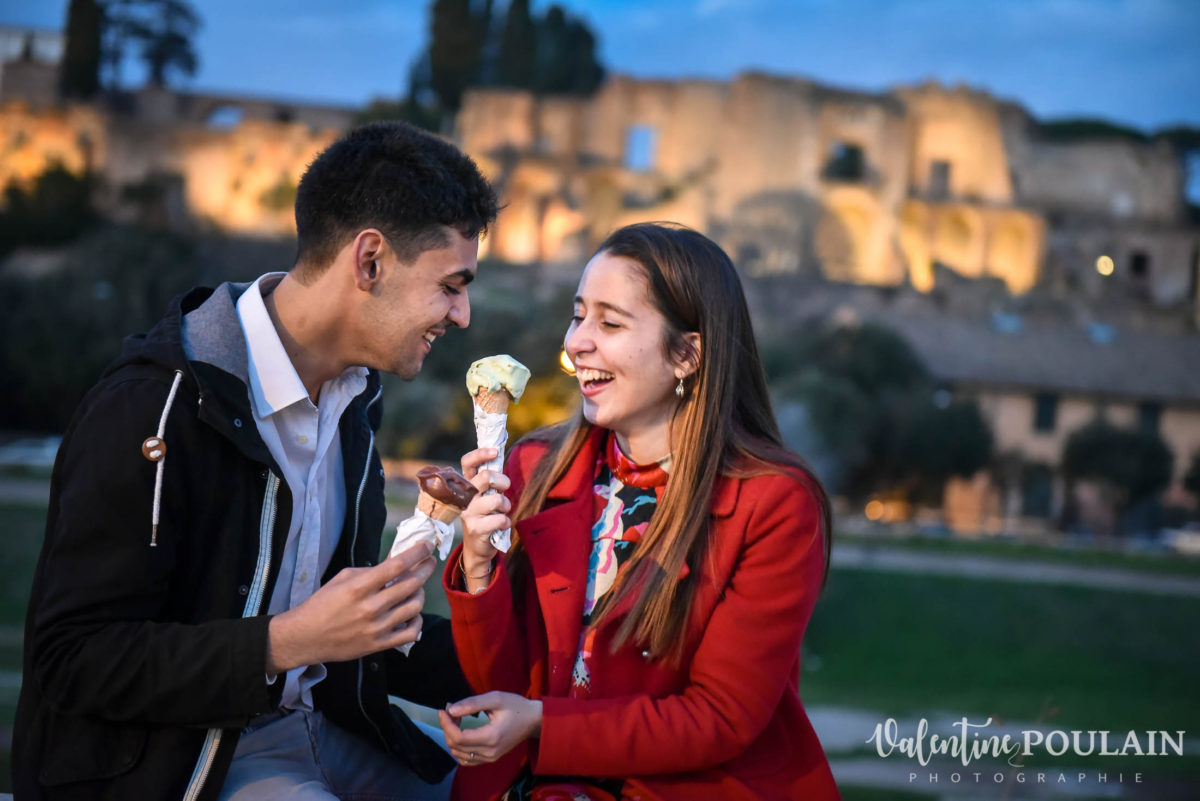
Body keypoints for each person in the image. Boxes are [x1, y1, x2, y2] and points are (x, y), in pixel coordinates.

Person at [13, 121, 499, 801]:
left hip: (324, 728)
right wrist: (287, 640)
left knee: (519, 784)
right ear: (369, 261)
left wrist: (549, 666)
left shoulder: (355, 402)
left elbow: (352, 638)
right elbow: (71, 659)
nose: (464, 314)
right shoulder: (153, 405)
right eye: (451, 285)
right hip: (181, 764)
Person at [438, 223, 840, 800]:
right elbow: (499, 687)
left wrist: (545, 725)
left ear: (687, 354)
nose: (577, 343)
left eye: (610, 323)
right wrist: (478, 567)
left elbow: (720, 717)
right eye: (578, 316)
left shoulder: (774, 503)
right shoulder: (532, 467)